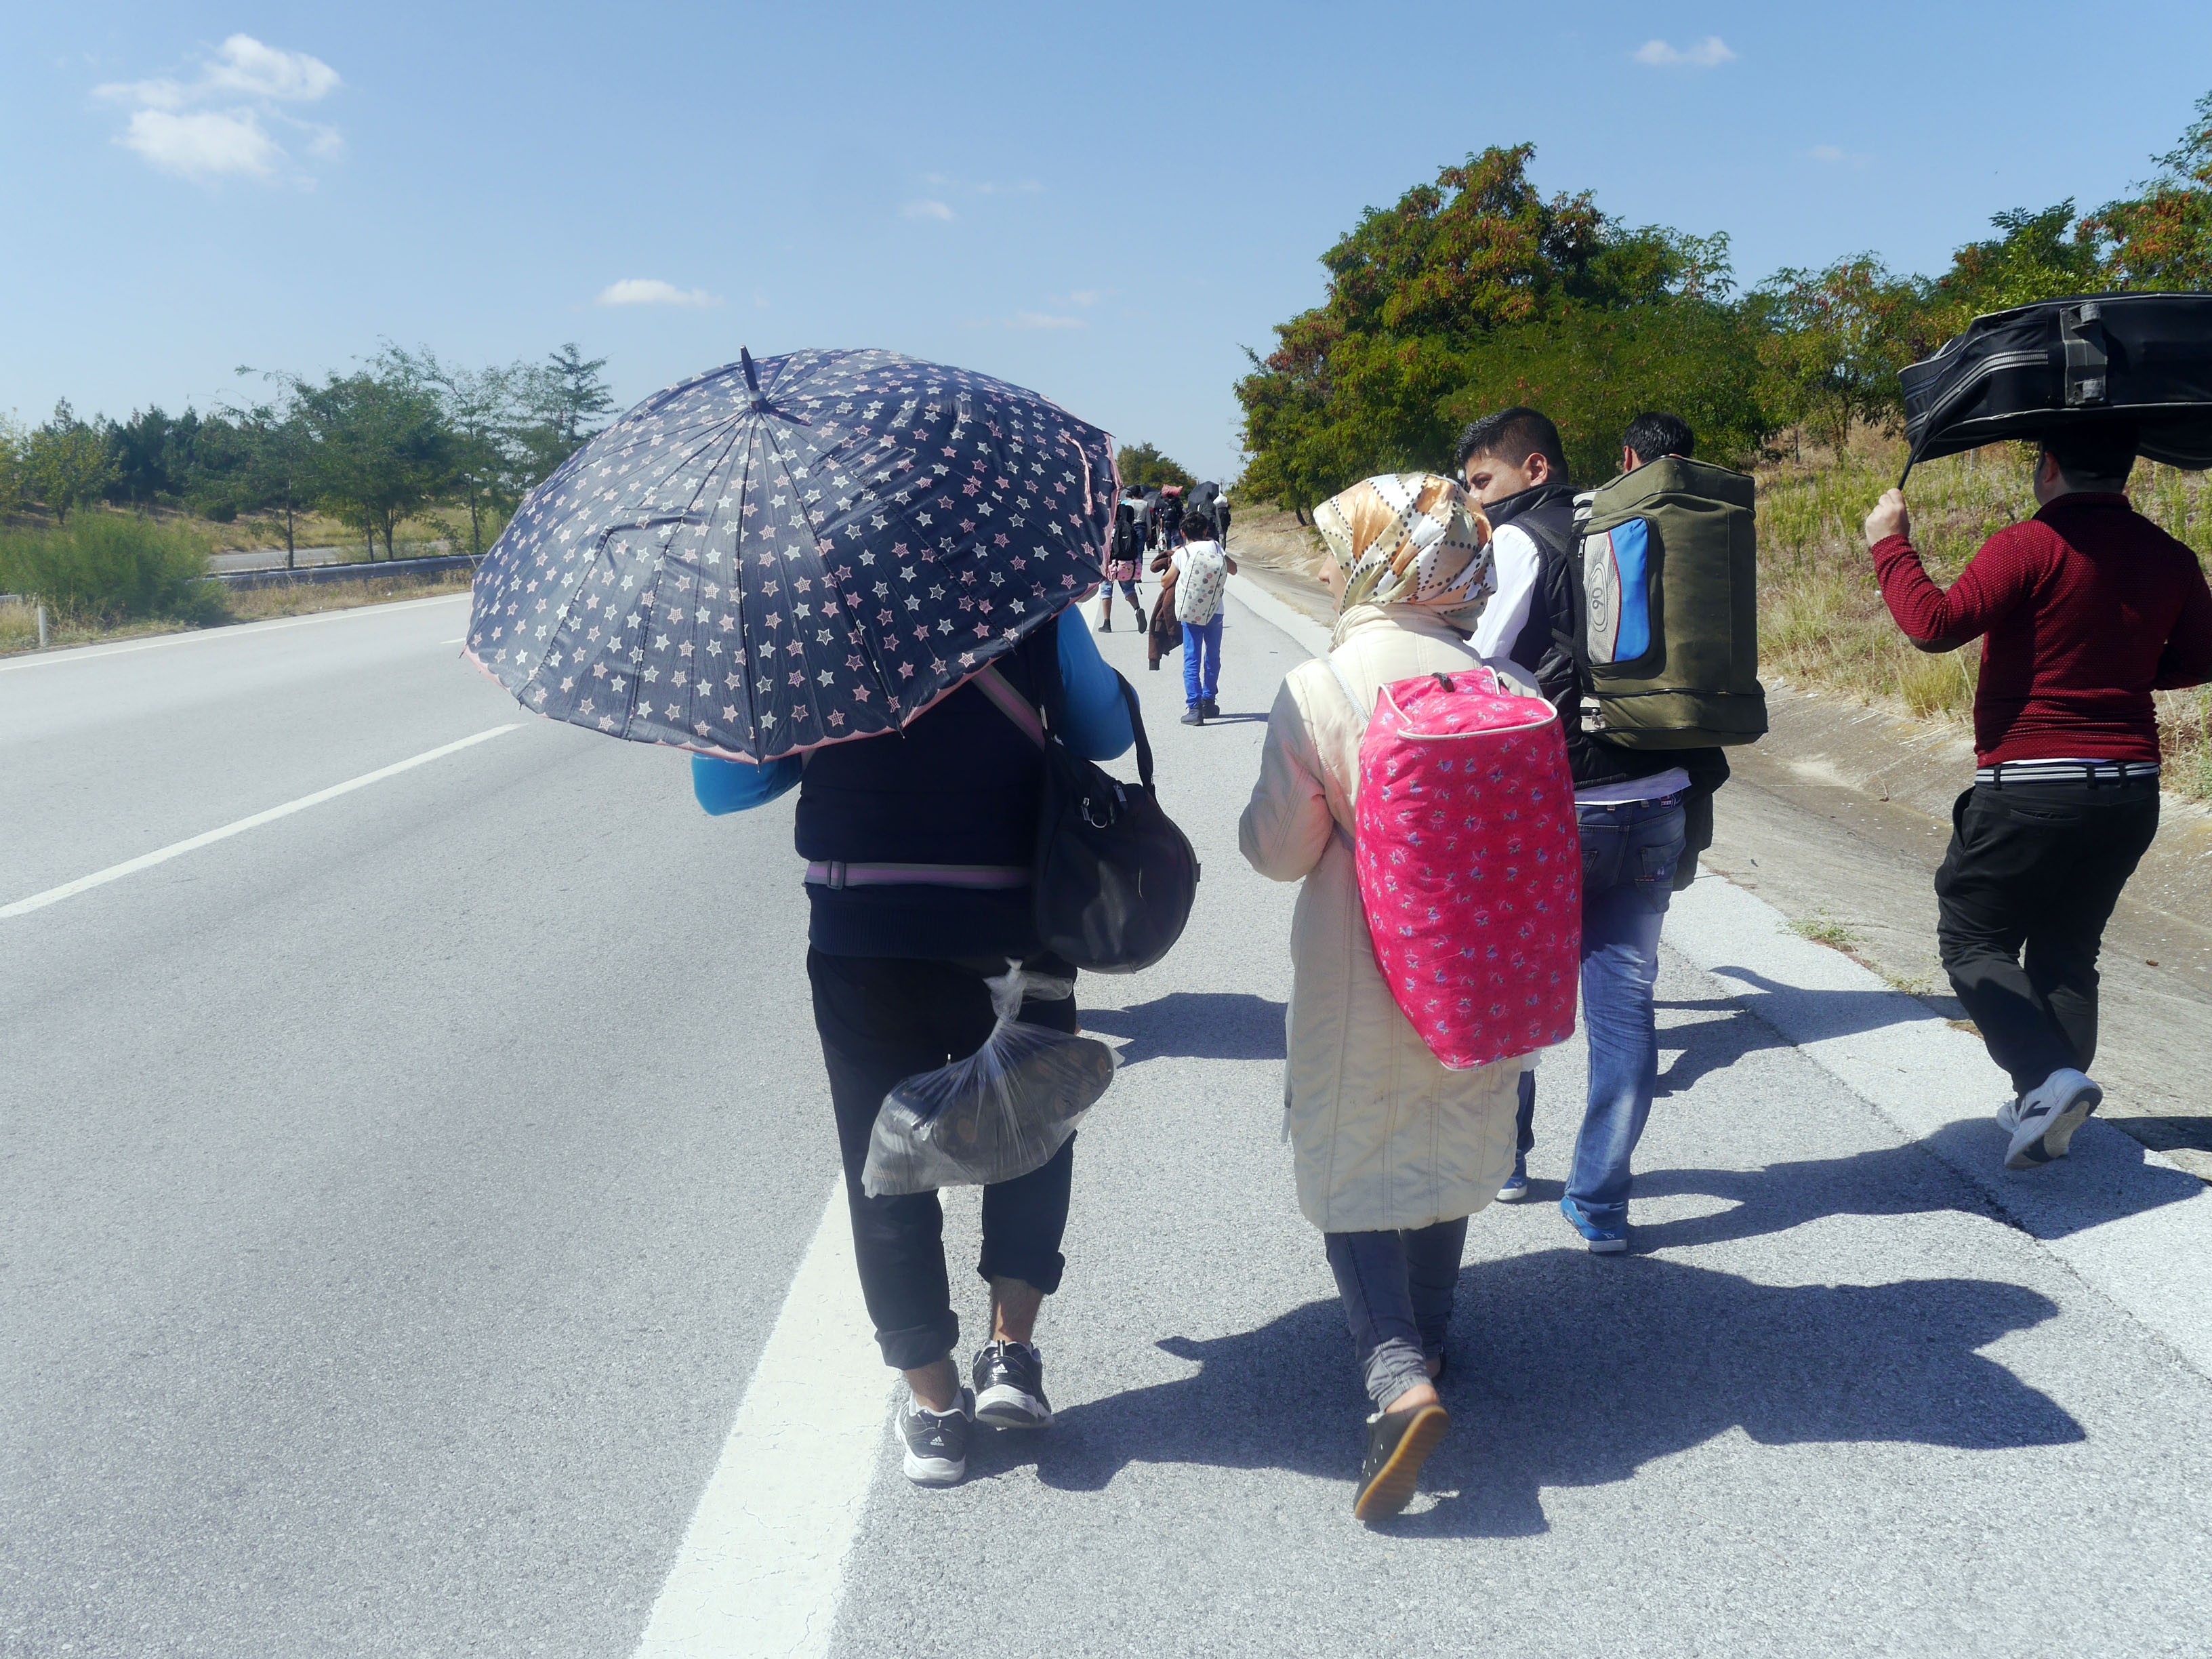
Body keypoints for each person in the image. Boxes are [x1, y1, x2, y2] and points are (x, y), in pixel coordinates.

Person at [691, 607, 1134, 1486]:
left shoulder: (798, 610)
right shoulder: (1026, 587)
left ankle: (935, 1413)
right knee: (1032, 1129)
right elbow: (1107, 732)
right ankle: (1011, 1357)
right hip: (1019, 920)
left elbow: (724, 788)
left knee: (885, 1164)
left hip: (867, 934)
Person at [1238, 471, 1526, 1522]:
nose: (1324, 567)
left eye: (1337, 548)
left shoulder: (1322, 687)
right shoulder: (1506, 684)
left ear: (1380, 560)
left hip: (1363, 974)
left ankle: (1398, 1378)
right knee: (1448, 1138)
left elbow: (1279, 852)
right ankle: (1434, 1335)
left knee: (1354, 1157)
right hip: (1481, 976)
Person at [1864, 425, 2212, 1171]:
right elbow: (2202, 656)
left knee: (1972, 940)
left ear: (2048, 466)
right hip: (2130, 789)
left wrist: (1890, 544)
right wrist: (2119, 673)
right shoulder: (2170, 555)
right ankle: (2046, 1103)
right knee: (2068, 949)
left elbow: (1933, 625)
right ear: (2125, 469)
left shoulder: (2030, 544)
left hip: (2031, 783)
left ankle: (2045, 1079)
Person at [1458, 407, 1727, 1251]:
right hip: (1660, 797)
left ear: (1534, 467)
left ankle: (1507, 1159)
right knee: (1626, 1005)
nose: (1476, 498)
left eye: (1483, 480)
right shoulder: (1632, 521)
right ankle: (1602, 1204)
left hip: (1561, 802)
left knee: (1517, 991)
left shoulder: (1520, 539)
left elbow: (1480, 658)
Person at [1162, 513, 1235, 724]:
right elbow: (1234, 569)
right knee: (1213, 656)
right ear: (1205, 531)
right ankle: (1209, 702)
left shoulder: (1182, 552)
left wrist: (1174, 558)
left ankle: (1194, 709)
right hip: (1215, 609)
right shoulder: (1215, 547)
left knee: (1192, 658)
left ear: (1183, 533)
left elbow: (1166, 582)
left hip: (1191, 611)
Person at [1102, 490, 1147, 632]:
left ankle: (1107, 624)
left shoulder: (1110, 529)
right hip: (1128, 565)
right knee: (1129, 589)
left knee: (1106, 591)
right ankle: (1137, 609)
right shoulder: (1131, 529)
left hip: (1112, 565)